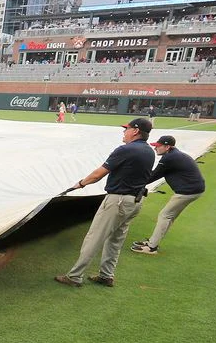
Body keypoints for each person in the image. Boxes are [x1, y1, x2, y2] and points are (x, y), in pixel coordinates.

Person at [55, 118, 155, 288]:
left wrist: (80, 184)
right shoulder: (149, 151)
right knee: (115, 240)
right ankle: (106, 275)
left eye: (127, 129)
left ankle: (75, 276)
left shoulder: (126, 150)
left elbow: (98, 174)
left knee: (94, 237)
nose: (124, 132)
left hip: (118, 201)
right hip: (135, 201)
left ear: (135, 131)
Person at [131, 136, 206, 255]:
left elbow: (153, 175)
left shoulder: (169, 158)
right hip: (195, 190)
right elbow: (157, 175)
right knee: (169, 217)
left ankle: (151, 247)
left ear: (167, 147)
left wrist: (134, 183)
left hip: (188, 192)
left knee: (164, 215)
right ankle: (153, 243)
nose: (155, 149)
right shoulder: (174, 155)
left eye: (158, 146)